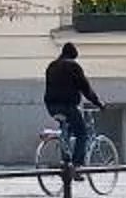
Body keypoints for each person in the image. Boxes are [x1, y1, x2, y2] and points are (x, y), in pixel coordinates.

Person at [42, 40, 102, 168]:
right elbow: (85, 88)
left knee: (67, 129)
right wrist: (98, 103)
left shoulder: (51, 66)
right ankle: (76, 165)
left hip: (51, 106)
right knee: (82, 133)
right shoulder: (73, 66)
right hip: (68, 106)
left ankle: (65, 161)